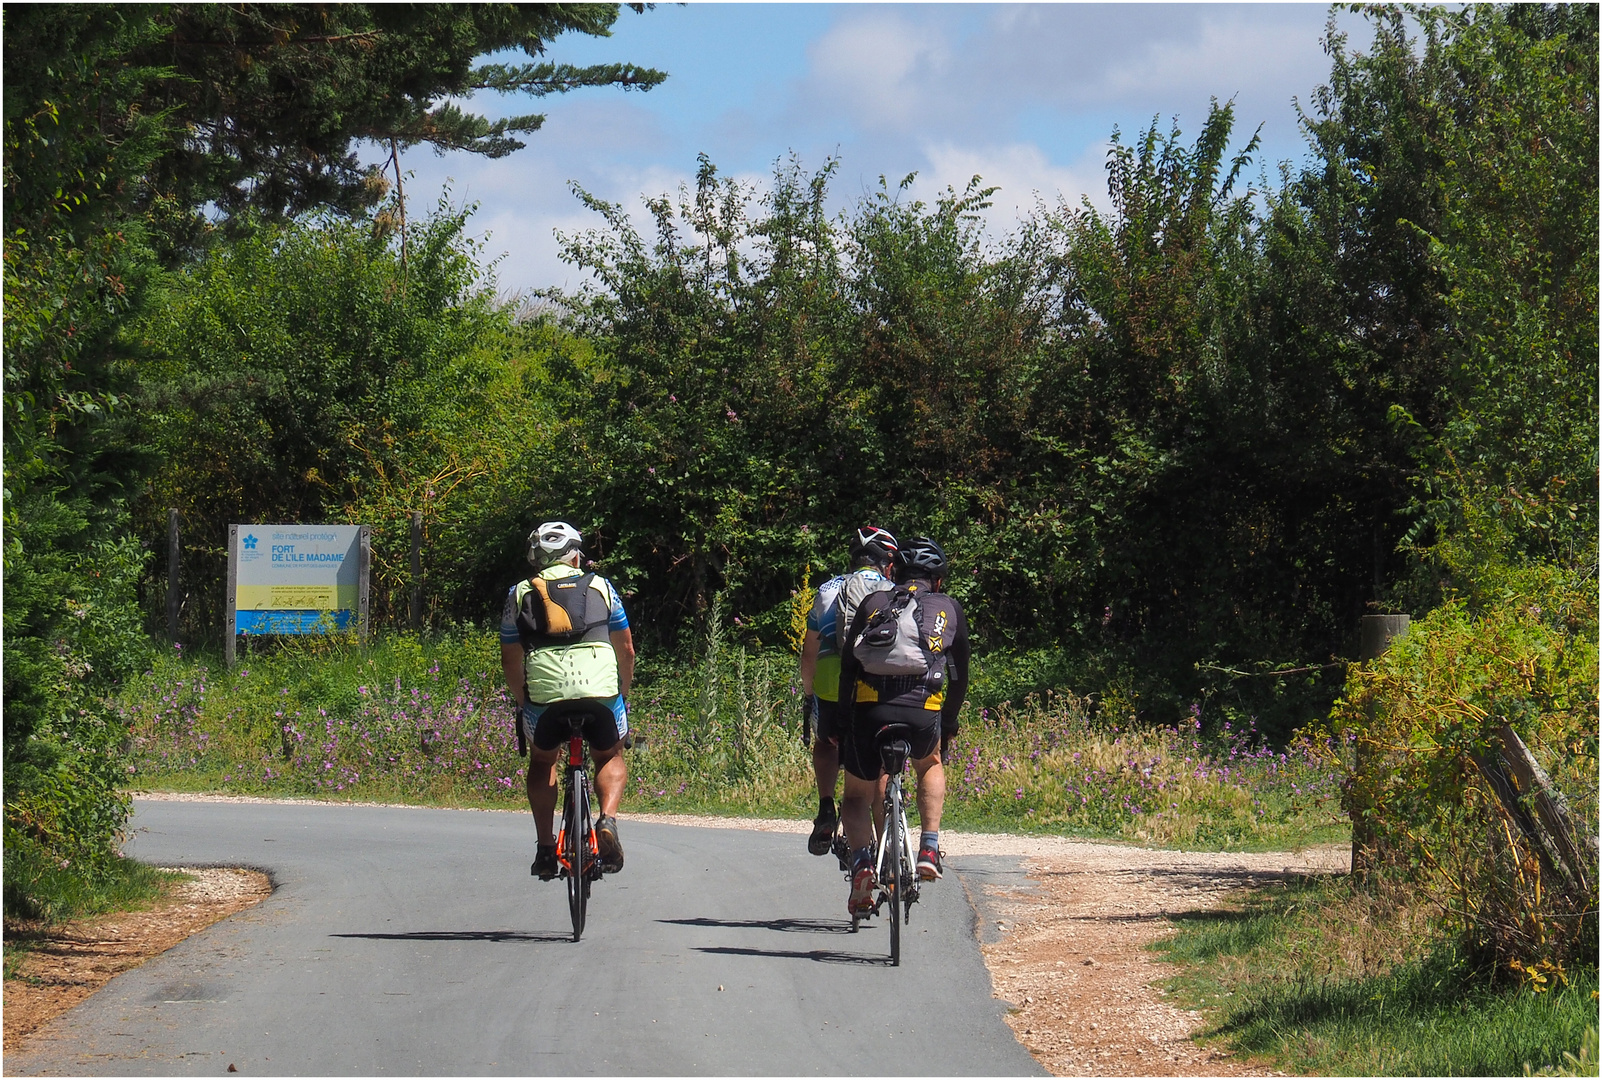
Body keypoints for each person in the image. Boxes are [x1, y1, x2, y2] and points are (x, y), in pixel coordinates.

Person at [836, 536, 970, 916]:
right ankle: (928, 847)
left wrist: (844, 721)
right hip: (921, 712)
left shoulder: (874, 603)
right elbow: (960, 678)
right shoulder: (949, 608)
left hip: (869, 712)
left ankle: (862, 862)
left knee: (857, 795)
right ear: (939, 580)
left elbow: (849, 667)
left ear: (892, 572)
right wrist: (949, 722)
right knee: (930, 764)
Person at [500, 521, 635, 880]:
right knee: (609, 754)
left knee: (543, 762)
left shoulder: (518, 593)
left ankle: (546, 848)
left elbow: (510, 660)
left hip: (545, 698)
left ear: (536, 558)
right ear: (576, 555)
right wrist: (622, 692)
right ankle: (607, 819)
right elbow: (627, 649)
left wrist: (522, 701)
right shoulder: (603, 586)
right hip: (600, 692)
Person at [797, 526, 898, 857]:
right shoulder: (894, 589)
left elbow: (809, 654)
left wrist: (810, 695)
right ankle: (886, 851)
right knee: (879, 764)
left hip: (831, 682)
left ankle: (827, 805)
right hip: (877, 683)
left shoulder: (827, 590)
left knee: (826, 742)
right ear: (886, 561)